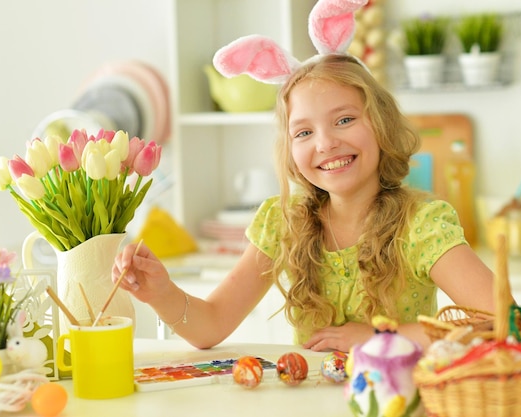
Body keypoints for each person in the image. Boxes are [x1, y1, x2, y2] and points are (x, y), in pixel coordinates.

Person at [112, 0, 495, 352]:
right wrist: (160, 292)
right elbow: (211, 325)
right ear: (290, 150)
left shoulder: (422, 225)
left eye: (344, 119)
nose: (326, 144)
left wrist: (379, 337)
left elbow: (501, 321)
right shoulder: (283, 222)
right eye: (304, 132)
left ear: (381, 125)